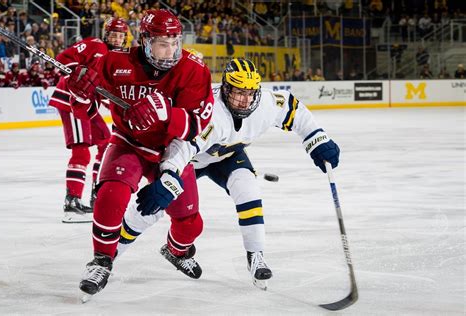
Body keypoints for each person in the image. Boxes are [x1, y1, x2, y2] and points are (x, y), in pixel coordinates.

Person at [117, 58, 340, 290]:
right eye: (239, 92)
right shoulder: (209, 109)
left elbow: (294, 109)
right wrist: (170, 175)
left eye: (250, 93)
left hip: (227, 156)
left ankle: (256, 256)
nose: (246, 99)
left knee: (248, 188)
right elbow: (183, 145)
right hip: (190, 161)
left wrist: (316, 138)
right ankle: (109, 253)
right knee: (154, 207)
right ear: (225, 88)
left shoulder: (265, 104)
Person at [66, 10, 214, 296]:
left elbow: (198, 125)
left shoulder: (194, 69)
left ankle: (176, 251)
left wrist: (166, 113)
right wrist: (80, 94)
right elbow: (86, 110)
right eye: (162, 42)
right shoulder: (115, 62)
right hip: (128, 143)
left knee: (190, 221)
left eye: (175, 42)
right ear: (145, 40)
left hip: (171, 152)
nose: (170, 50)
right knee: (111, 195)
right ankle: (101, 260)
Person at [48, 17, 129, 223]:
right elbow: (63, 58)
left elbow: (108, 93)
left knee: (105, 141)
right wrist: (78, 73)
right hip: (72, 99)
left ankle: (97, 194)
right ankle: (72, 202)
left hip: (87, 103)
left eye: (121, 35)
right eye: (113, 34)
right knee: (81, 151)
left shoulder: (117, 59)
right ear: (106, 34)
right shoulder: (95, 45)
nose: (117, 39)